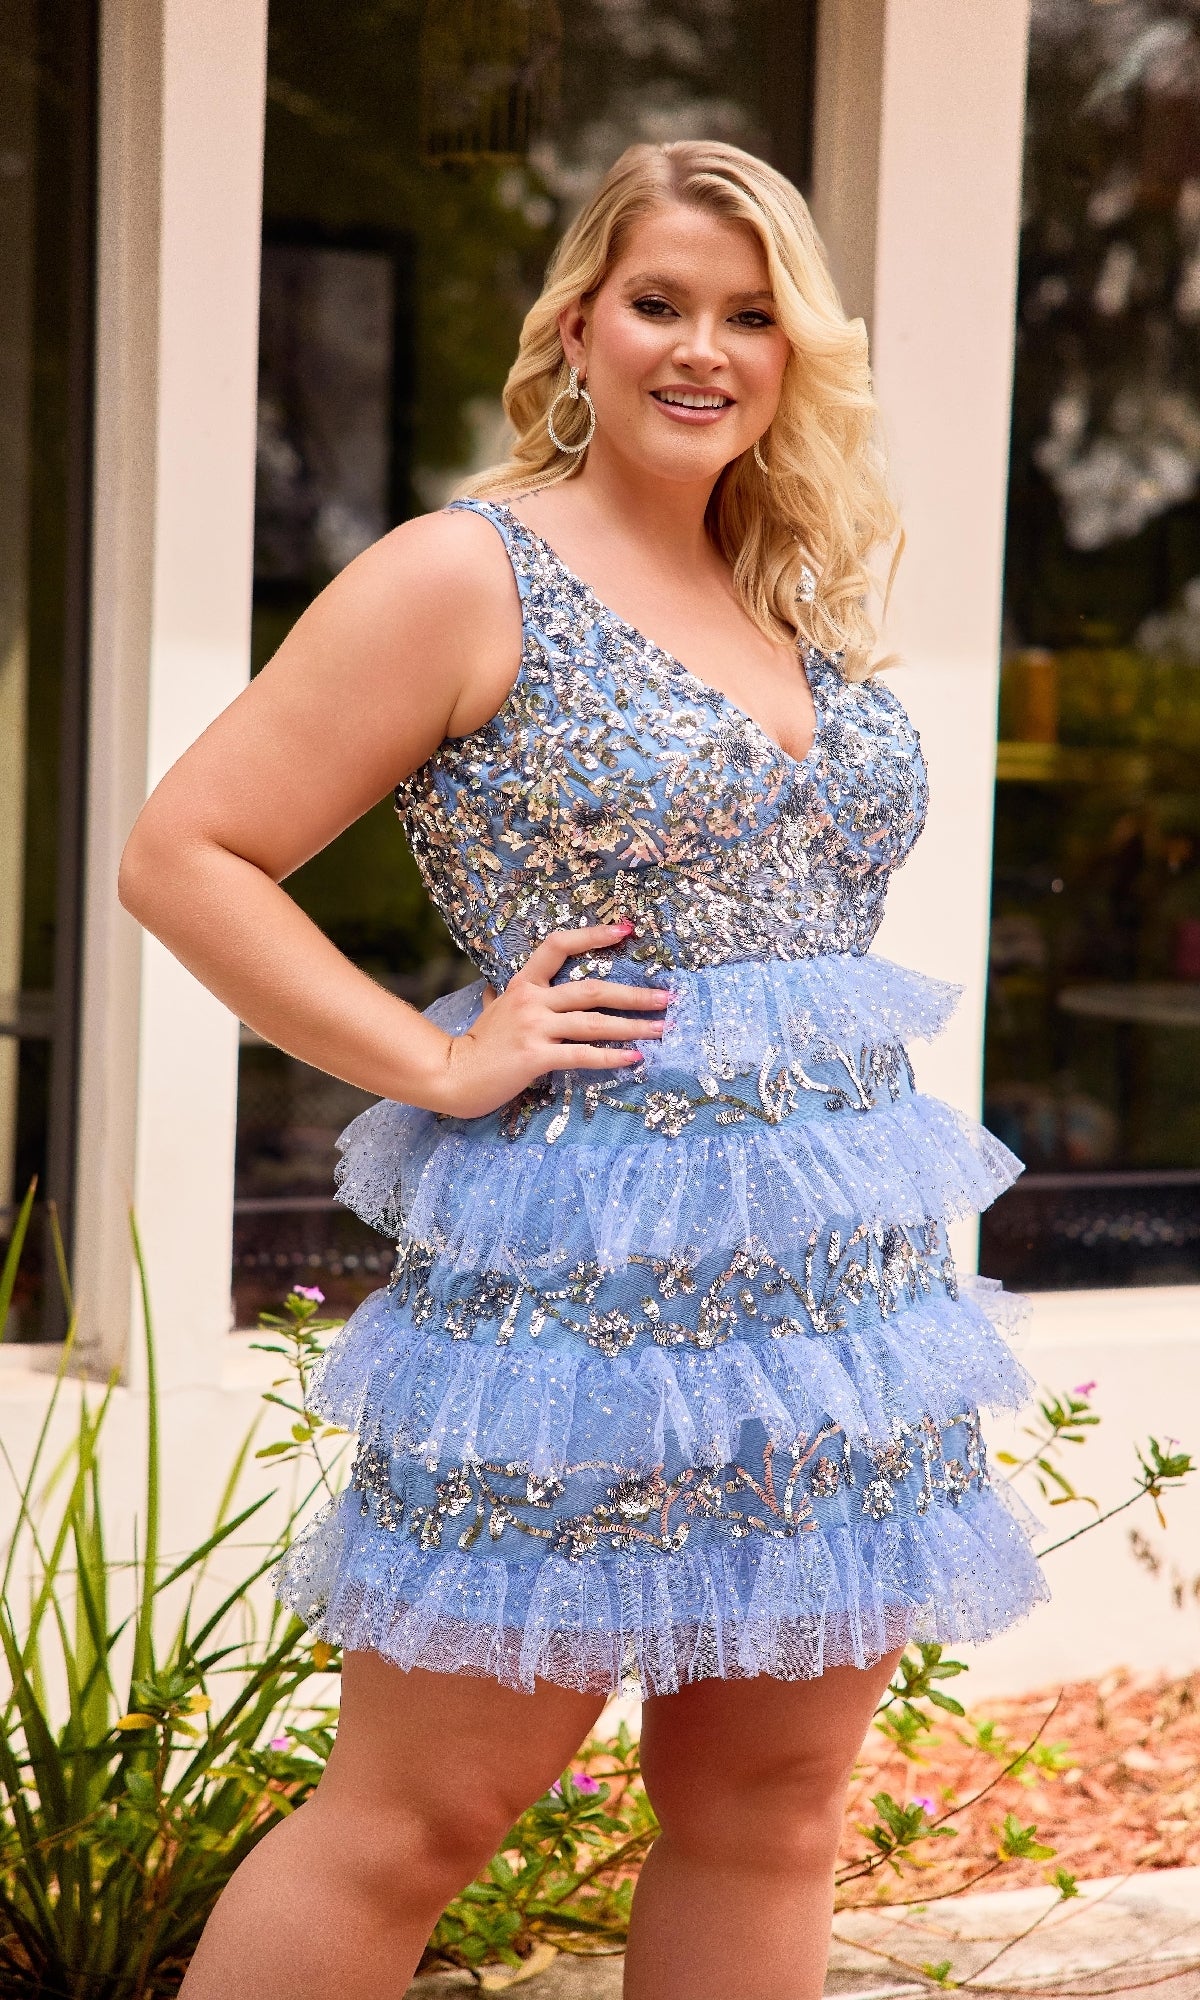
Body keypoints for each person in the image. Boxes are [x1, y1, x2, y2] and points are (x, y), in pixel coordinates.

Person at [119, 138, 1048, 2000]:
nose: (702, 348)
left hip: (832, 1308)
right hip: (575, 1312)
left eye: (749, 313)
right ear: (578, 326)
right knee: (417, 1823)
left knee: (771, 1816)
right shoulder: (467, 573)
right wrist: (442, 1060)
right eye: (660, 303)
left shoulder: (788, 593)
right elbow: (185, 852)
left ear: (798, 352)